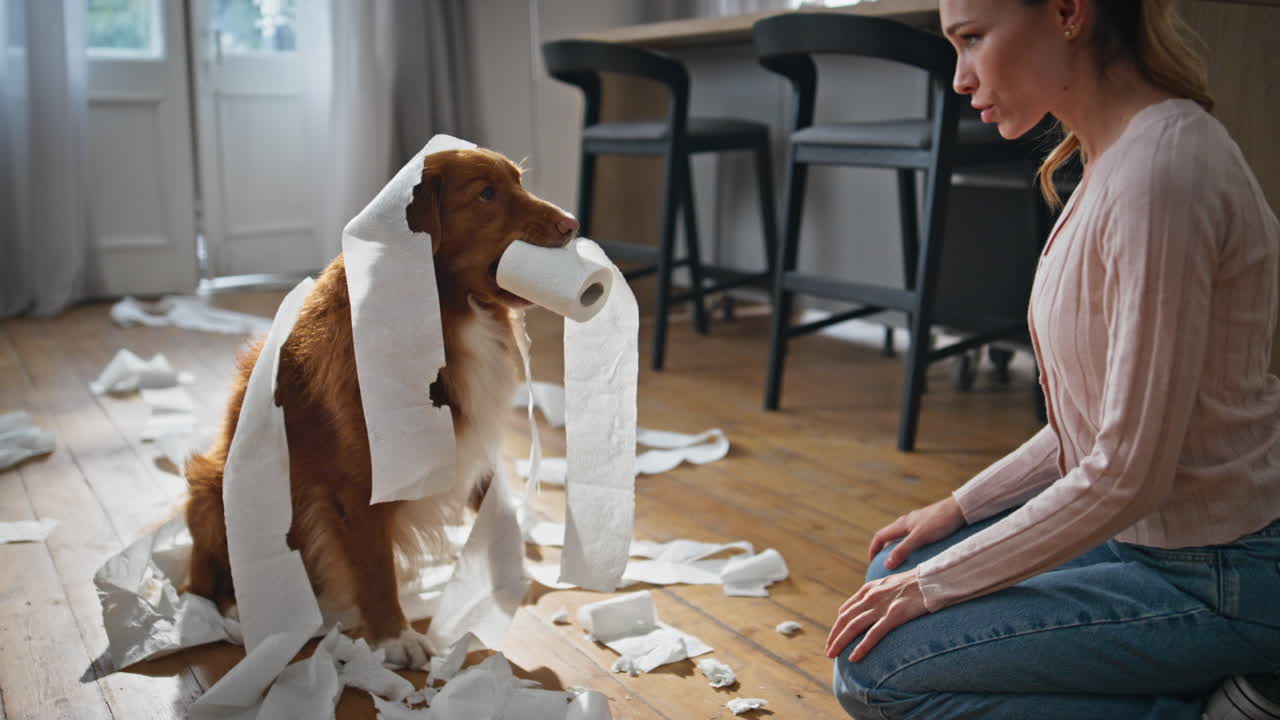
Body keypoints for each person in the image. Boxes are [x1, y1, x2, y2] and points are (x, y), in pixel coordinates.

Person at [826, 1, 1280, 718]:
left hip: (1218, 572)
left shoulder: (1159, 175)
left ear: (1068, 11)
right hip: (1148, 542)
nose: (960, 78)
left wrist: (935, 588)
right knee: (896, 568)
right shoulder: (1113, 157)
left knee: (876, 667)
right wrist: (958, 509)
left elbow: (1127, 471)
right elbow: (1098, 418)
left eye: (973, 40)